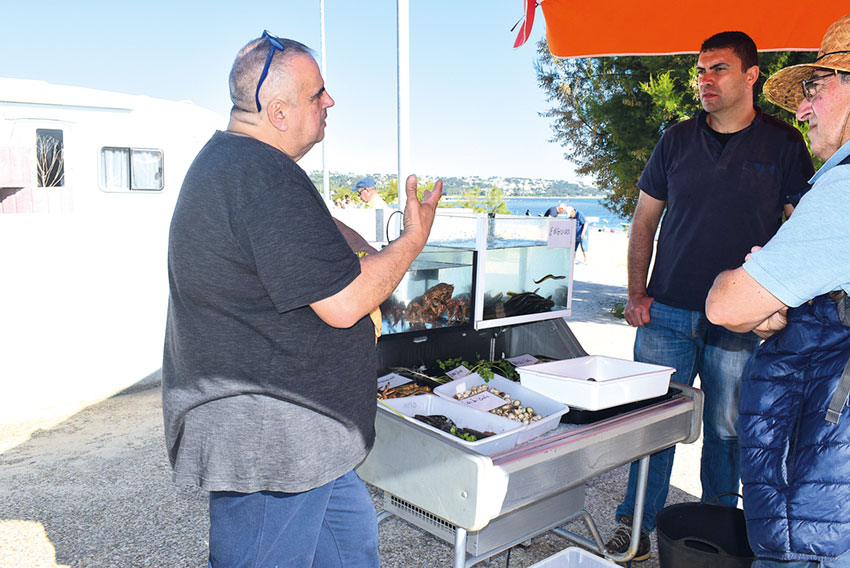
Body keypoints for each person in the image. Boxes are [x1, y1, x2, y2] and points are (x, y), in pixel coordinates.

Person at [161, 32, 442, 567]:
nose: (330, 101)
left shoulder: (234, 164)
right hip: (274, 442)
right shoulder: (261, 175)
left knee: (352, 548)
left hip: (311, 439)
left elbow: (310, 231)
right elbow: (344, 304)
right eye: (318, 94)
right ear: (279, 112)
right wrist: (412, 239)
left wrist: (365, 249)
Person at [608, 31, 814, 562]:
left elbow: (800, 232)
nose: (705, 80)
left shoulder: (784, 143)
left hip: (741, 321)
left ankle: (716, 538)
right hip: (666, 312)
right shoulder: (675, 140)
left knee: (727, 433)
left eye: (718, 69)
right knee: (651, 423)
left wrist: (780, 306)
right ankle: (635, 526)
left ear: (751, 75)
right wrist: (636, 292)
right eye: (700, 70)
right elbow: (644, 221)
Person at [706, 14, 850, 567]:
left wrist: (761, 295)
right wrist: (794, 295)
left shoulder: (843, 188)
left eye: (815, 88)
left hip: (820, 504)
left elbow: (727, 306)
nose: (802, 108)